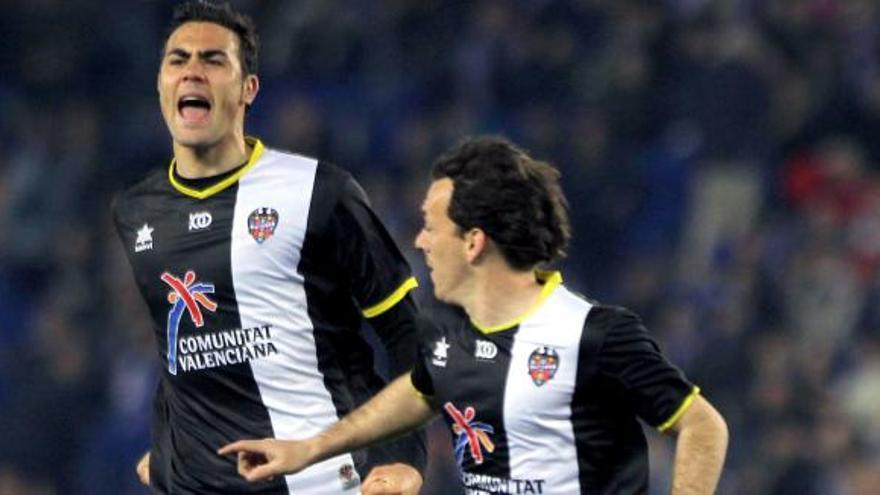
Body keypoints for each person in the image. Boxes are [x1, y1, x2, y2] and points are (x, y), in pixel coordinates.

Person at [219, 136, 730, 494]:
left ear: (473, 242)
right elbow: (420, 390)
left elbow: (703, 427)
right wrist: (310, 450)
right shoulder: (445, 335)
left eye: (429, 227)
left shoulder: (594, 336)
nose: (419, 241)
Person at [112, 1, 425, 493]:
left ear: (247, 89)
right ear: (160, 84)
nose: (193, 71)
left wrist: (405, 459)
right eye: (178, 59)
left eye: (214, 60)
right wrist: (170, 453)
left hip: (323, 480)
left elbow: (407, 333)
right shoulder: (136, 212)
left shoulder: (320, 193)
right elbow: (176, 349)